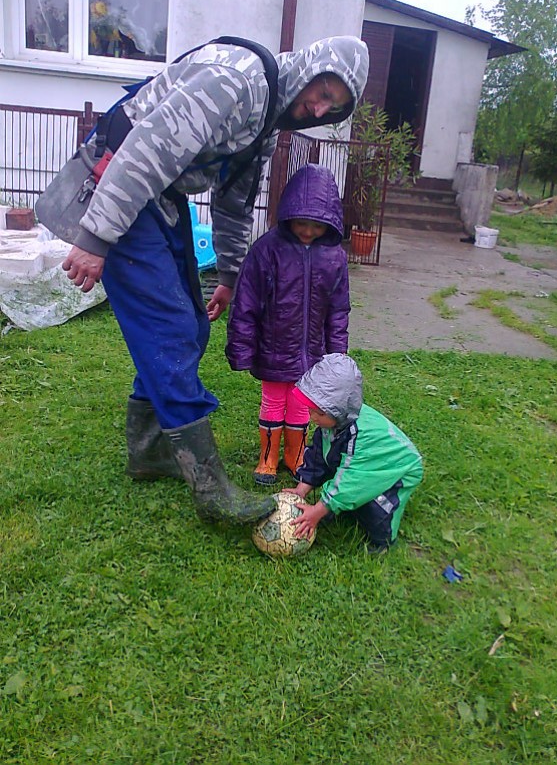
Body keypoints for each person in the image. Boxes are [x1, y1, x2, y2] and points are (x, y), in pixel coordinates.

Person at [58, 36, 369, 525]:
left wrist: (228, 272)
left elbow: (234, 198)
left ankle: (149, 450)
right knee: (172, 332)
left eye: (333, 107)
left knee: (195, 327)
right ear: (307, 69)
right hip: (119, 181)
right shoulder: (237, 82)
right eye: (322, 91)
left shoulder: (268, 118)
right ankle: (211, 489)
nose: (318, 108)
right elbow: (145, 149)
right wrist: (96, 238)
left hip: (160, 197)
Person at [226, 163, 350, 486]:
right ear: (289, 214)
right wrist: (241, 348)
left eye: (316, 225)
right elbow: (246, 302)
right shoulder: (267, 250)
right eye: (301, 223)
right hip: (272, 349)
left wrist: (336, 356)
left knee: (301, 405)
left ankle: (295, 455)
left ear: (330, 222)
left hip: (313, 356)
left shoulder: (335, 258)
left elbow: (338, 311)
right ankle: (267, 456)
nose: (308, 231)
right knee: (273, 401)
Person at [285, 353, 423, 554]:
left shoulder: (361, 437)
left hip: (398, 469)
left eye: (319, 413)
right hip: (364, 466)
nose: (312, 417)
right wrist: (301, 490)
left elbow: (351, 480)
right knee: (341, 481)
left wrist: (319, 510)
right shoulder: (332, 423)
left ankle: (383, 543)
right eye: (310, 410)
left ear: (340, 410)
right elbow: (316, 457)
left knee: (375, 509)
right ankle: (335, 506)